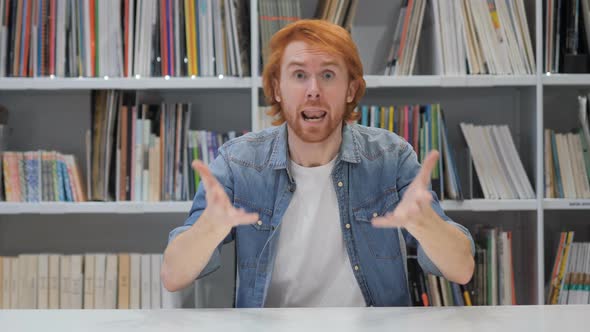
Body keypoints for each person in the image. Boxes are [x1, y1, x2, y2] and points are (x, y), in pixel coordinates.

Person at [161, 19, 474, 308]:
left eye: (328, 75)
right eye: (299, 75)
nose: (313, 90)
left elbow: (461, 270)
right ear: (275, 88)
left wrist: (426, 224)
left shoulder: (391, 158)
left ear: (350, 89)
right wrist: (210, 228)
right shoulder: (238, 163)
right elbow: (173, 276)